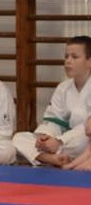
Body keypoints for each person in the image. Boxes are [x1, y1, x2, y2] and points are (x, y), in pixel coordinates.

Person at [13, 36, 91, 167]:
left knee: (85, 137)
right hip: (62, 144)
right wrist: (45, 137)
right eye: (66, 56)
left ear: (89, 61)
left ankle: (52, 156)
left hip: (81, 143)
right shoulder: (63, 87)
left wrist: (60, 141)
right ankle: (54, 159)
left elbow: (86, 128)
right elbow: (53, 119)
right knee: (19, 138)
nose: (68, 61)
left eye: (74, 57)